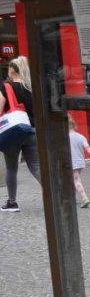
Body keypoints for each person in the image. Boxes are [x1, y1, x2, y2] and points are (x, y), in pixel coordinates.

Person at [0, 56, 40, 213]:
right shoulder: (31, 87)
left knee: (12, 168)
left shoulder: (7, 87)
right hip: (32, 131)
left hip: (13, 132)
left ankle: (12, 202)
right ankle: (54, 196)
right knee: (36, 166)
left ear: (11, 70)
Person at [68, 117, 90, 207]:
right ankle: (72, 198)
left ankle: (85, 198)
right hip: (80, 162)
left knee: (76, 180)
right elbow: (87, 148)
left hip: (71, 162)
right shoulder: (81, 137)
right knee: (74, 180)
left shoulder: (64, 137)